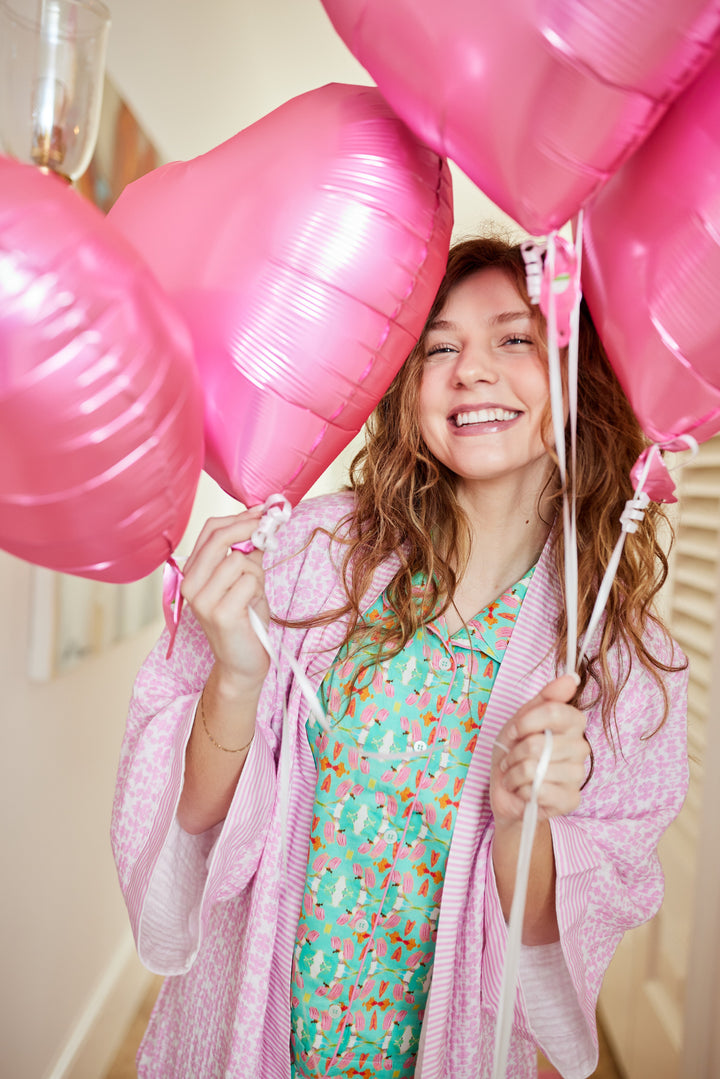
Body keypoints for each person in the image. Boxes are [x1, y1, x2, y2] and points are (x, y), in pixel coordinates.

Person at [112, 236, 688, 1079]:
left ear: (577, 375)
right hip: (256, 1039)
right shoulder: (313, 556)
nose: (472, 371)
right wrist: (237, 676)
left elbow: (546, 953)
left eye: (515, 338)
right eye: (440, 347)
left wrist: (521, 817)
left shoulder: (620, 667)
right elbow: (194, 819)